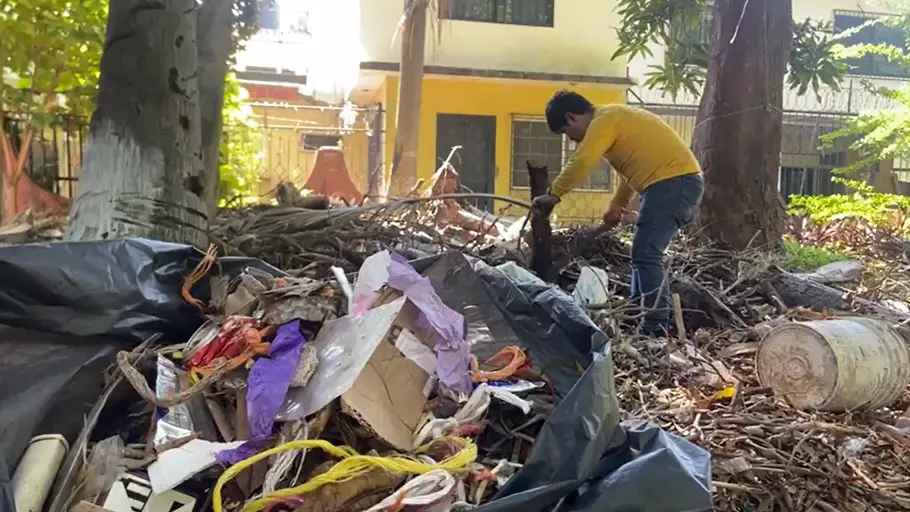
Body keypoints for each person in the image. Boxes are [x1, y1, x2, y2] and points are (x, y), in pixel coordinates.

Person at [533, 90, 704, 336]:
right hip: (670, 184)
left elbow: (583, 160)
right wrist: (617, 205)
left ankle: (654, 328)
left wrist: (554, 194)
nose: (571, 140)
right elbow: (629, 172)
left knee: (646, 254)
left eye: (565, 133)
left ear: (571, 118)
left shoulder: (605, 119)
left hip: (674, 183)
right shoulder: (614, 119)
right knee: (642, 254)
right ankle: (639, 316)